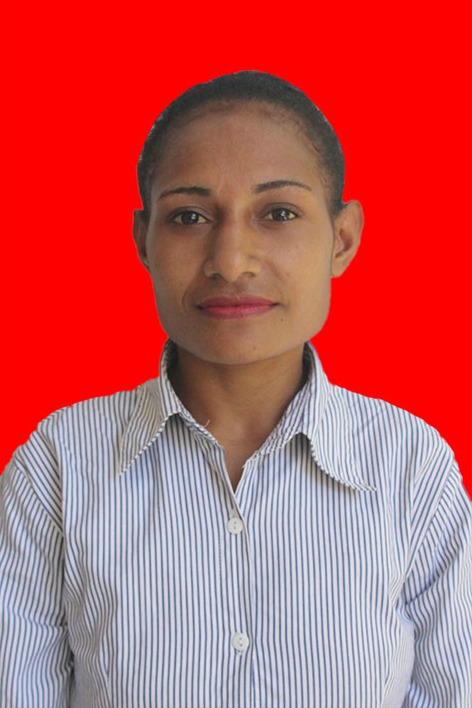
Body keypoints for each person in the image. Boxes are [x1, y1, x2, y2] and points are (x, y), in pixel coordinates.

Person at [1, 71, 471, 708]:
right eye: (189, 217)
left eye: (278, 213)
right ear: (143, 240)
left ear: (342, 239)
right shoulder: (58, 468)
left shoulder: (412, 468)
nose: (230, 260)